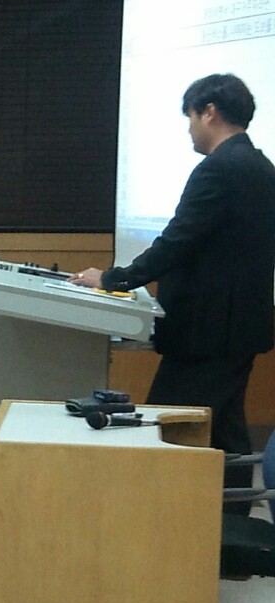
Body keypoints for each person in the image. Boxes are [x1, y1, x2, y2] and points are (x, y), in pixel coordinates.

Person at [70, 72, 275, 479]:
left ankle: (172, 514)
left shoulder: (219, 169)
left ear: (210, 112)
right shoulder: (261, 167)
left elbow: (176, 241)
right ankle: (229, 515)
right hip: (239, 328)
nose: (189, 130)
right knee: (225, 429)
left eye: (190, 118)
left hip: (207, 333)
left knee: (169, 428)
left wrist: (113, 279)